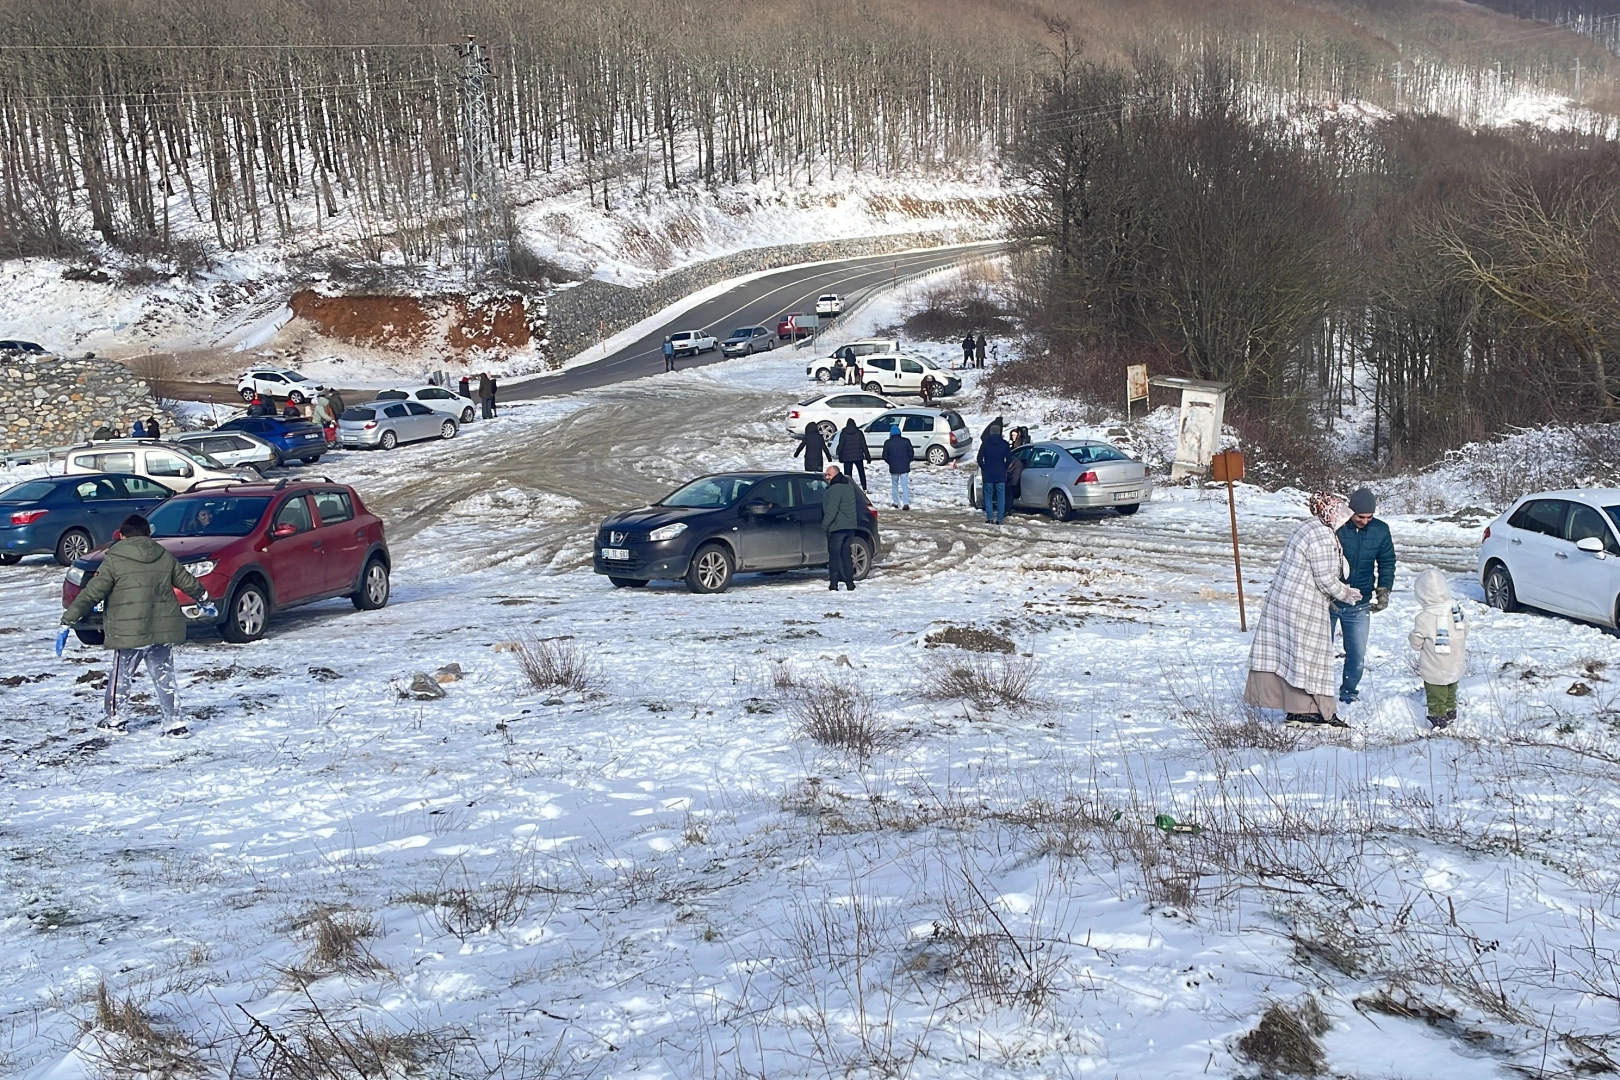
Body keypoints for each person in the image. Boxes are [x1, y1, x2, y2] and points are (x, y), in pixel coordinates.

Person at [60, 514, 209, 737]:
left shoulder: (114, 559)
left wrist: (69, 619)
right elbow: (186, 581)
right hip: (162, 628)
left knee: (122, 674)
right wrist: (204, 598)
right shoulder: (163, 555)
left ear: (121, 535)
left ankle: (115, 720)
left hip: (129, 631)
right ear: (149, 534)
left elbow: (93, 591)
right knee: (164, 676)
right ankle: (174, 724)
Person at [1245, 493, 1363, 727]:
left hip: (1289, 602)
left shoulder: (1310, 527)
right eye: (1341, 514)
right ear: (1331, 512)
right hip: (1302, 605)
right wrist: (1345, 593)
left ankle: (1302, 709)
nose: (1344, 519)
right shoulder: (1320, 534)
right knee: (1309, 657)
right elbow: (1325, 577)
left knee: (1295, 656)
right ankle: (1317, 711)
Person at [1334, 487, 1396, 706]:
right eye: (1361, 517)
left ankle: (1348, 693)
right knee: (1319, 651)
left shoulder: (1380, 530)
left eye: (1370, 517)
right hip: (1330, 600)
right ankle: (1317, 692)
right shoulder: (1337, 527)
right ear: (1351, 512)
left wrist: (1384, 590)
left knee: (1356, 654)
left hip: (1358, 603)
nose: (1365, 521)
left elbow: (1387, 562)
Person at [1410, 568, 1466, 730]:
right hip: (1455, 659)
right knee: (1450, 687)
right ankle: (1450, 710)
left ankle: (1438, 715)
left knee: (1436, 690)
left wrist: (1414, 640)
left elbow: (1417, 641)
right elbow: (1464, 628)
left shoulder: (1425, 618)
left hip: (1435, 664)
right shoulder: (1455, 609)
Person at [820, 464, 858, 592]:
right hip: (849, 527)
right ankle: (850, 582)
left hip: (837, 527)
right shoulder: (848, 486)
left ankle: (834, 583)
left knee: (834, 556)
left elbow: (831, 510)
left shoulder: (834, 489)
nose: (826, 477)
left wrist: (825, 525)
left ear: (835, 474)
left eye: (829, 474)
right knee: (846, 555)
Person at [977, 419, 1011, 524]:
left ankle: (990, 518)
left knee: (988, 496)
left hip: (988, 473)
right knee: (1001, 496)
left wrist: (984, 467)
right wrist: (1004, 467)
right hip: (1001, 473)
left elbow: (979, 458)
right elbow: (1009, 459)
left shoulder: (985, 444)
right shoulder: (1004, 444)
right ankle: (1000, 519)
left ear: (991, 432)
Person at [882, 423, 912, 510]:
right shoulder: (906, 441)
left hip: (894, 467)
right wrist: (907, 461)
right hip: (905, 466)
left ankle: (895, 503)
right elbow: (911, 453)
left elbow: (885, 456)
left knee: (894, 485)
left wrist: (891, 462)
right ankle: (905, 503)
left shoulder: (888, 443)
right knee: (904, 485)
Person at [836, 417, 870, 489]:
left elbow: (841, 445)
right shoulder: (859, 433)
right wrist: (868, 457)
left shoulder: (843, 433)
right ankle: (864, 486)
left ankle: (848, 487)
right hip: (858, 456)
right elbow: (864, 445)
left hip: (847, 457)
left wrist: (840, 457)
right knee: (861, 472)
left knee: (848, 474)